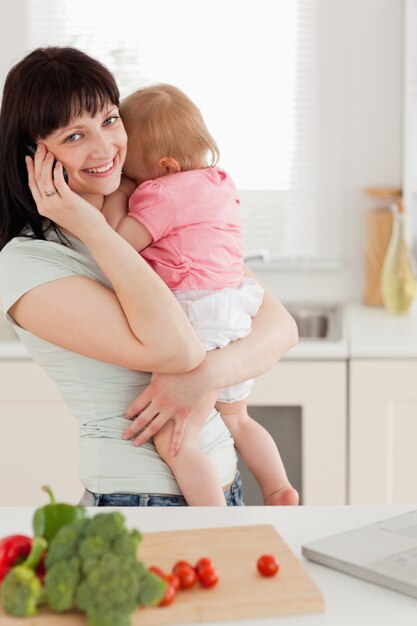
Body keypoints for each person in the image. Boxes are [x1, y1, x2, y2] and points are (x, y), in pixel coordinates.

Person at [0, 47, 298, 507]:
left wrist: (207, 377)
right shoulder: (28, 263)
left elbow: (279, 327)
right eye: (75, 136)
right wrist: (95, 229)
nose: (105, 148)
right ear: (33, 156)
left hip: (227, 485)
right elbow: (177, 349)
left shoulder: (156, 206)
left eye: (110, 120)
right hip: (137, 501)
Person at [101, 84, 299, 506]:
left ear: (165, 167)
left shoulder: (162, 193)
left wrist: (119, 193)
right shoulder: (219, 182)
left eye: (133, 171)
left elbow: (121, 243)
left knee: (176, 443)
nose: (129, 179)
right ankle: (278, 486)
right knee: (239, 420)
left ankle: (212, 520)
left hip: (194, 317)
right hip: (234, 310)